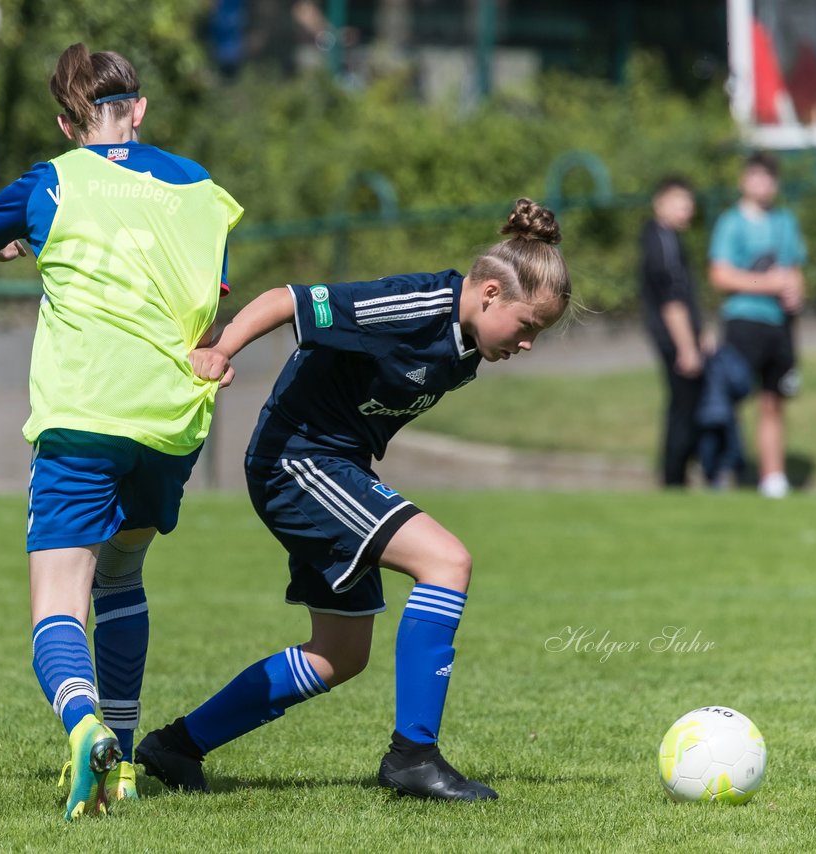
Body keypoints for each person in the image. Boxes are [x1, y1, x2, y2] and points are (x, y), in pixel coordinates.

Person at [134, 199, 571, 802]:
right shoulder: (413, 306)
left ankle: (176, 746)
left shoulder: (470, 340)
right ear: (490, 293)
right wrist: (221, 348)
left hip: (333, 464)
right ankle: (414, 755)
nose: (528, 345)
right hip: (299, 462)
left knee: (339, 655)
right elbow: (288, 298)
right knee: (447, 561)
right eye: (528, 328)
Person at [0, 45, 243, 819]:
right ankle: (128, 763)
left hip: (84, 415)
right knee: (124, 577)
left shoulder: (52, 180)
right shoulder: (206, 193)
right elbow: (205, 306)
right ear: (138, 110)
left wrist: (9, 244)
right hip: (171, 424)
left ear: (67, 122)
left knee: (58, 606)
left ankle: (84, 727)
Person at [708, 151, 807, 498]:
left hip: (778, 326)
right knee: (730, 397)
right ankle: (721, 467)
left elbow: (793, 270)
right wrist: (769, 284)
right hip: (744, 322)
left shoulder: (785, 222)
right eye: (756, 176)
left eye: (768, 178)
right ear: (744, 181)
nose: (762, 184)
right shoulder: (731, 223)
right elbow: (721, 276)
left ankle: (773, 476)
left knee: (773, 400)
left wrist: (795, 291)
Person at [640, 176, 706, 487]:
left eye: (689, 204)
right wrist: (687, 346)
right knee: (682, 407)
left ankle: (679, 473)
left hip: (681, 338)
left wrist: (700, 332)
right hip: (675, 341)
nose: (687, 210)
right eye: (680, 202)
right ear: (660, 202)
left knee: (685, 405)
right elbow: (671, 300)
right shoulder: (661, 241)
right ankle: (674, 478)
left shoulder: (669, 238)